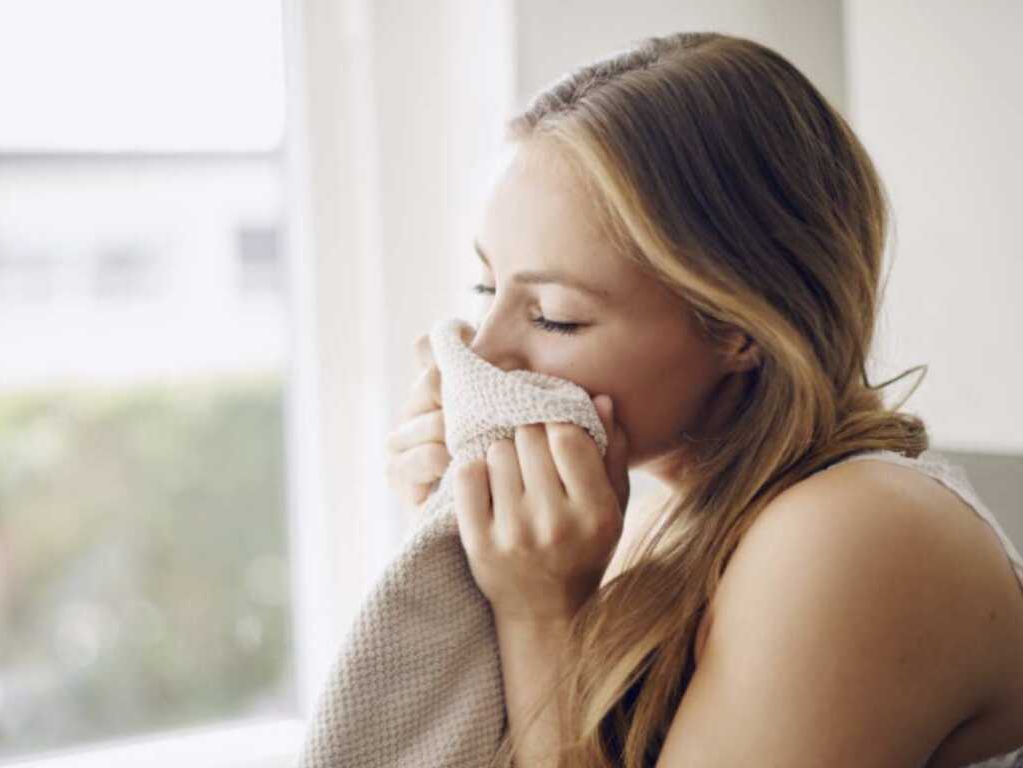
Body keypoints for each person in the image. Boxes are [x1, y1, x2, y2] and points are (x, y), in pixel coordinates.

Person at [384, 32, 1023, 767]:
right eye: (487, 289)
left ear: (737, 327)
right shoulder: (646, 516)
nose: (484, 352)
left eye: (554, 314)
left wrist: (538, 612)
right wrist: (462, 543)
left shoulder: (857, 534)